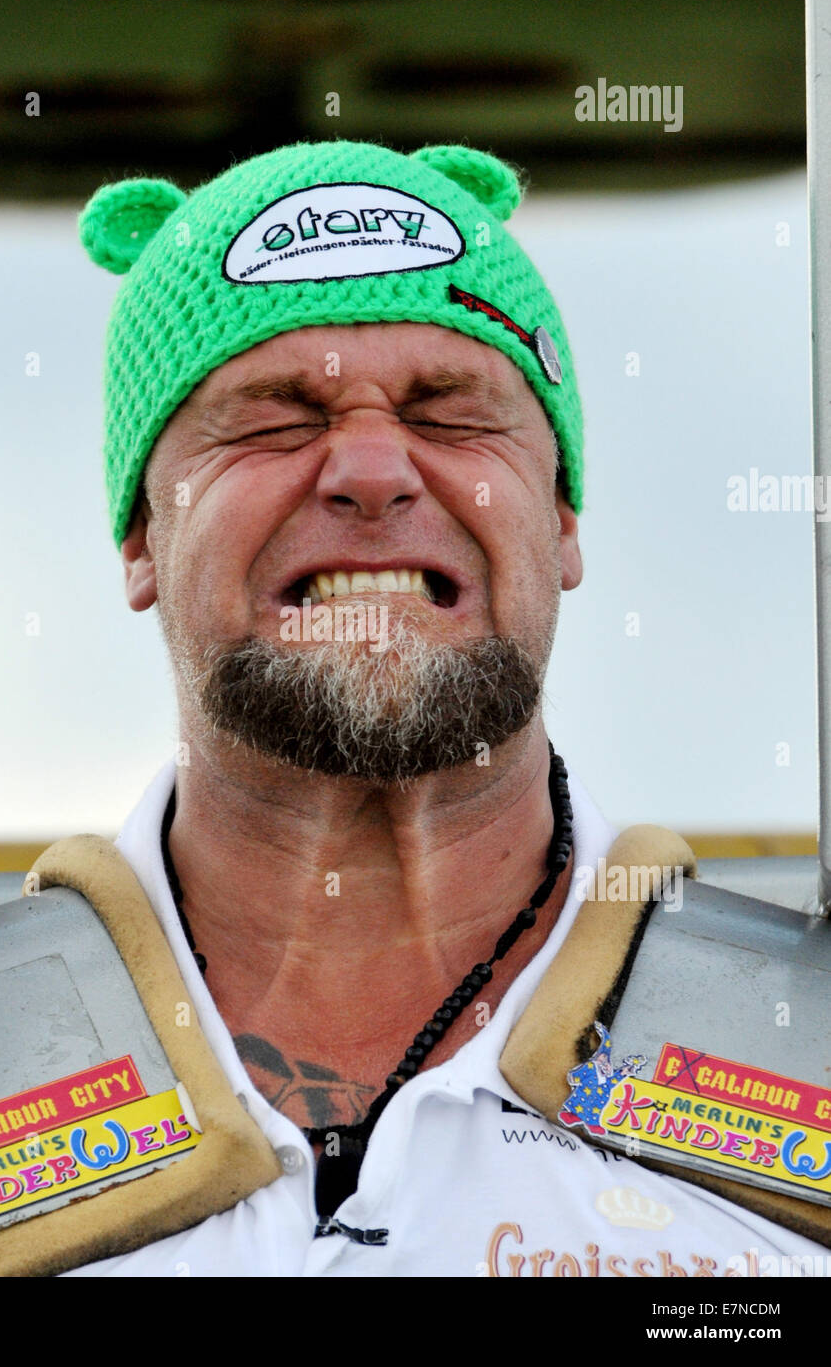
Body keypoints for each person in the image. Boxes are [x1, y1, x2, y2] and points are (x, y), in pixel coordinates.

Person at [71, 140, 826, 1276]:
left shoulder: (805, 1054)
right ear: (140, 535)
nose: (371, 470)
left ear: (562, 520)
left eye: (451, 411)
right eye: (275, 415)